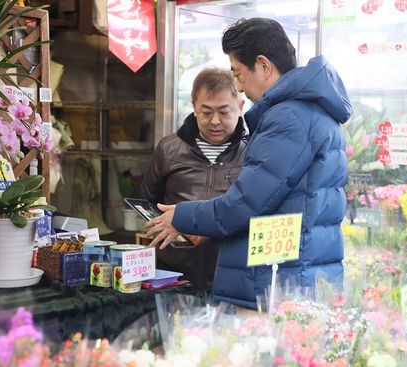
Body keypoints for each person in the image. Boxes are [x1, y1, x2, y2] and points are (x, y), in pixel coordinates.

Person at [146, 18, 353, 309]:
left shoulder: (289, 118)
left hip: (278, 281)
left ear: (264, 65)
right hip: (293, 273)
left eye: (239, 74)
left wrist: (181, 216)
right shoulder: (310, 111)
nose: (240, 87)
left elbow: (246, 204)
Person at [141, 67, 247, 290]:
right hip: (172, 276)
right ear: (194, 108)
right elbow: (149, 201)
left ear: (240, 107)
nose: (215, 121)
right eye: (206, 112)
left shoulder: (254, 153)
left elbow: (254, 211)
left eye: (224, 112)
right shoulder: (168, 148)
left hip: (230, 276)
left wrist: (210, 227)